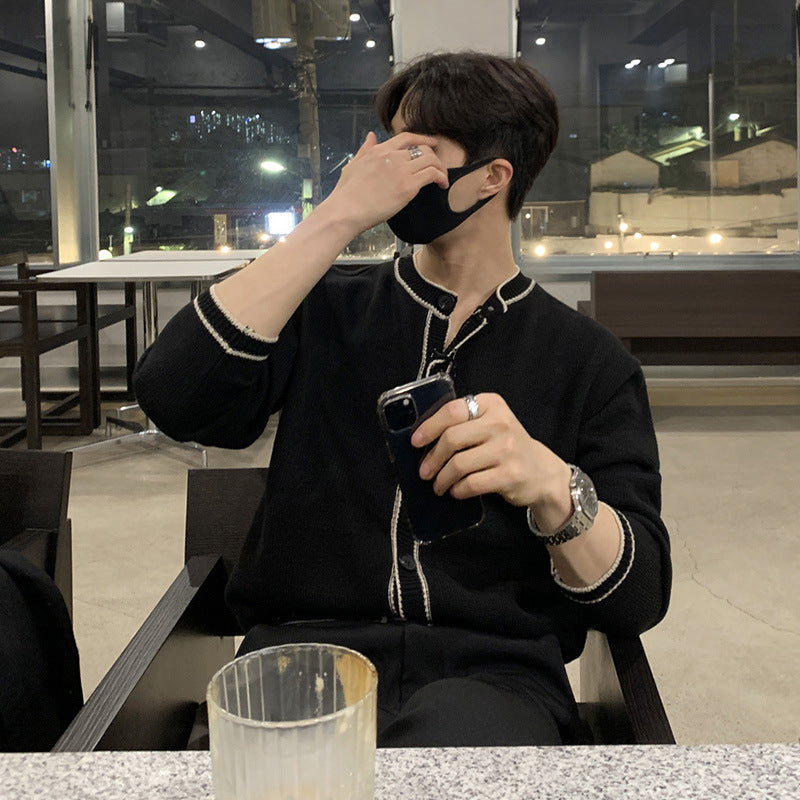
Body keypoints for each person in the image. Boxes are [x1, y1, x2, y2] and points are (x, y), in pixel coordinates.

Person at [133, 51, 671, 747]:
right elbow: (173, 397)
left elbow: (639, 594)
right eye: (390, 145)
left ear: (492, 177)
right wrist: (334, 219)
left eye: (418, 150)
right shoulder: (323, 308)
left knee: (461, 747)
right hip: (302, 659)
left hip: (496, 677)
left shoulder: (589, 363)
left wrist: (552, 485)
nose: (387, 166)